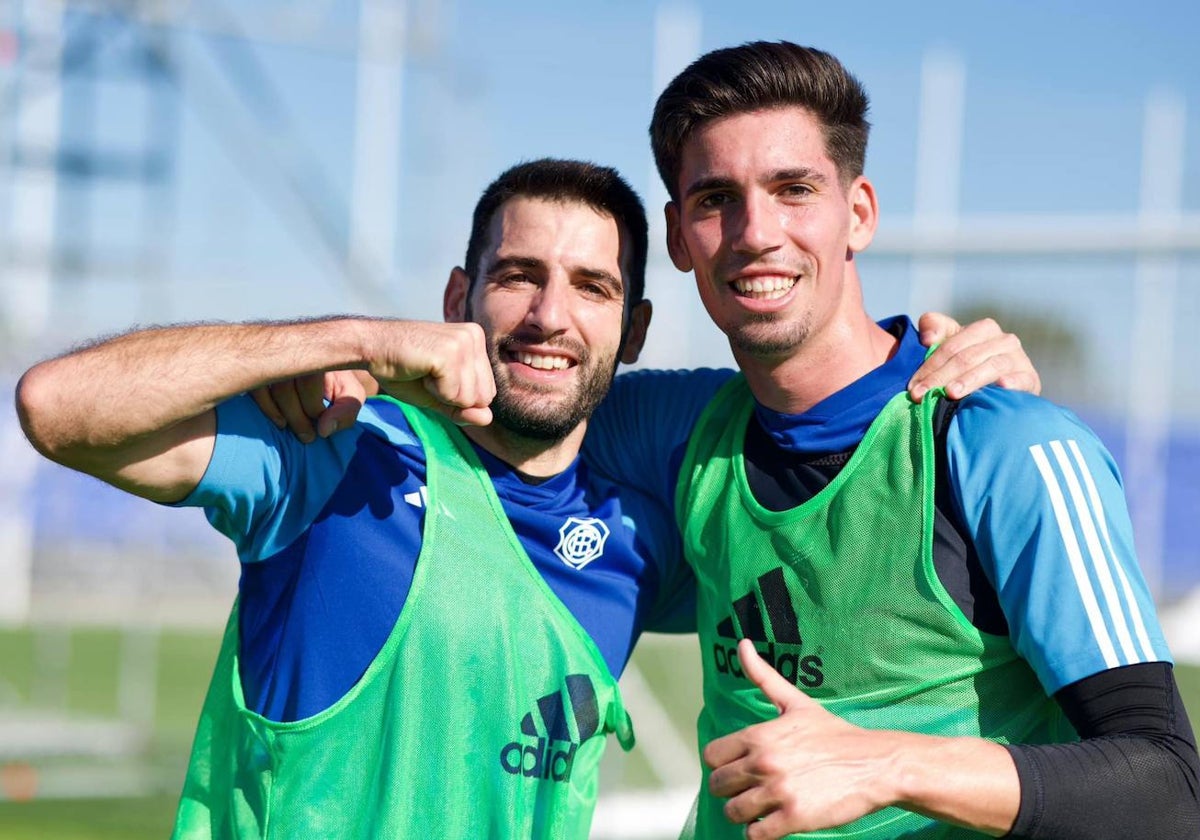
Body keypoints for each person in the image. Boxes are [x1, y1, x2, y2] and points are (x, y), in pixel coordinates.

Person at [16, 158, 1036, 839]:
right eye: (519, 276)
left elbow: (820, 400)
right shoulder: (338, 454)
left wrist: (936, 362)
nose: (552, 316)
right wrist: (346, 340)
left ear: (631, 333)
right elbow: (58, 406)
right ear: (459, 300)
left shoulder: (648, 533)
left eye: (591, 288)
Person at [580, 41, 1200, 839]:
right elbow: (497, 390)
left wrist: (881, 763)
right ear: (676, 236)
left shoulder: (1004, 444)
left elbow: (1169, 789)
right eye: (715, 199)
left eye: (794, 189)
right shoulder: (679, 427)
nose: (755, 232)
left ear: (859, 212)